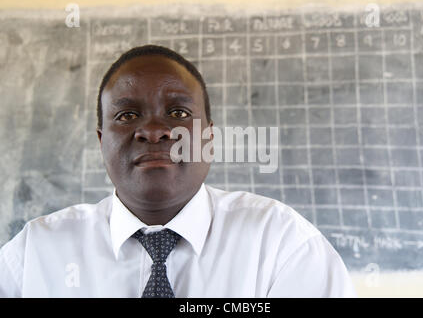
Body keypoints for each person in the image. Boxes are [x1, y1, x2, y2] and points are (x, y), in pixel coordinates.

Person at [0, 45, 356, 297]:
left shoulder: (281, 244)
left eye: (179, 113)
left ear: (210, 138)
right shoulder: (35, 255)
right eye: (127, 115)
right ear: (101, 141)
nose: (154, 130)